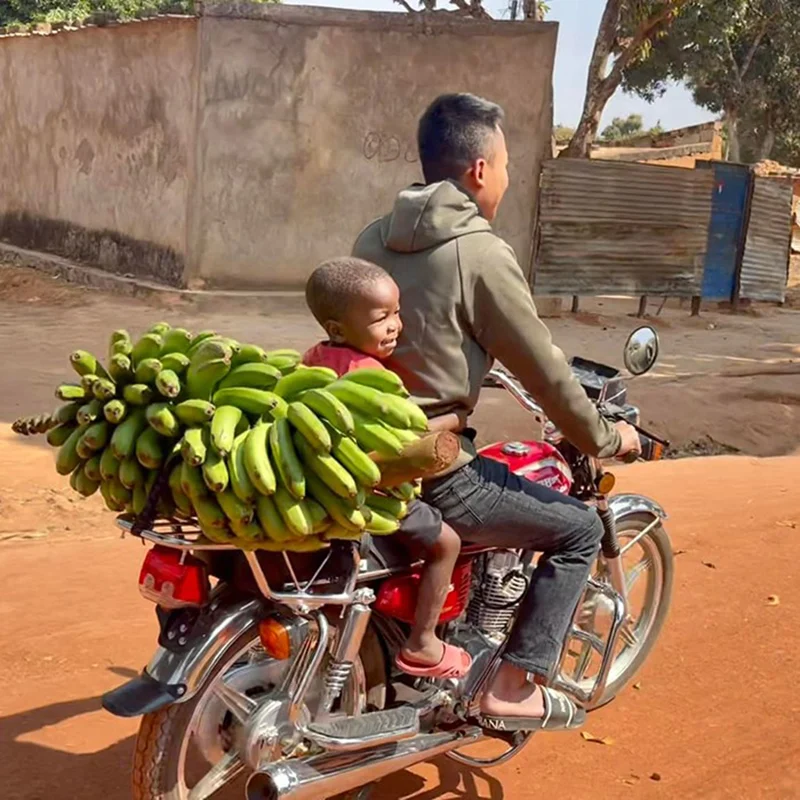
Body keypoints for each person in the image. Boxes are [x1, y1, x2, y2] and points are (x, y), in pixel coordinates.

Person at [352, 93, 641, 732]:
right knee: (580, 531)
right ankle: (512, 686)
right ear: (480, 170)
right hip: (430, 467)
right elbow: (544, 369)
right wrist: (602, 436)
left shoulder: (372, 237)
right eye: (507, 165)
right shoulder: (480, 253)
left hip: (352, 450)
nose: (507, 179)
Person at [303, 257, 472, 679]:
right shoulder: (372, 376)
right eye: (382, 318)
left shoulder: (313, 358)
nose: (396, 325)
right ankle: (424, 642)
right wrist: (454, 419)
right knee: (447, 543)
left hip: (321, 486)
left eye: (398, 312)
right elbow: (405, 434)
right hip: (372, 492)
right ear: (339, 328)